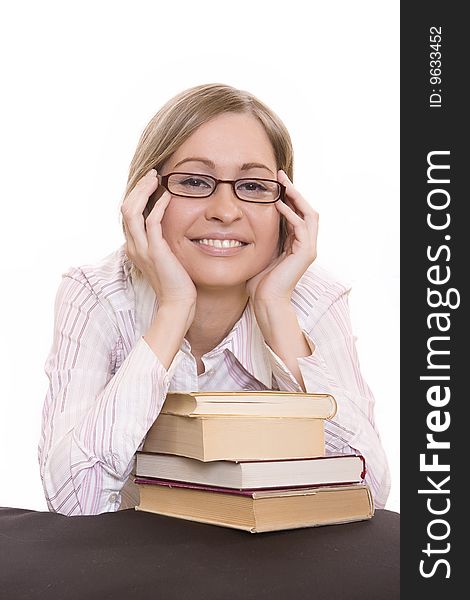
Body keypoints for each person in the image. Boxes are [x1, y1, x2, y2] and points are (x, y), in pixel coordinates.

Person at [38, 83, 391, 516]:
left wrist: (278, 312)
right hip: (137, 568)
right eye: (193, 181)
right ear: (145, 198)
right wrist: (173, 310)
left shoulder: (314, 297)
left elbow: (369, 494)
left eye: (254, 186)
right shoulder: (96, 294)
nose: (225, 210)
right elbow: (75, 503)